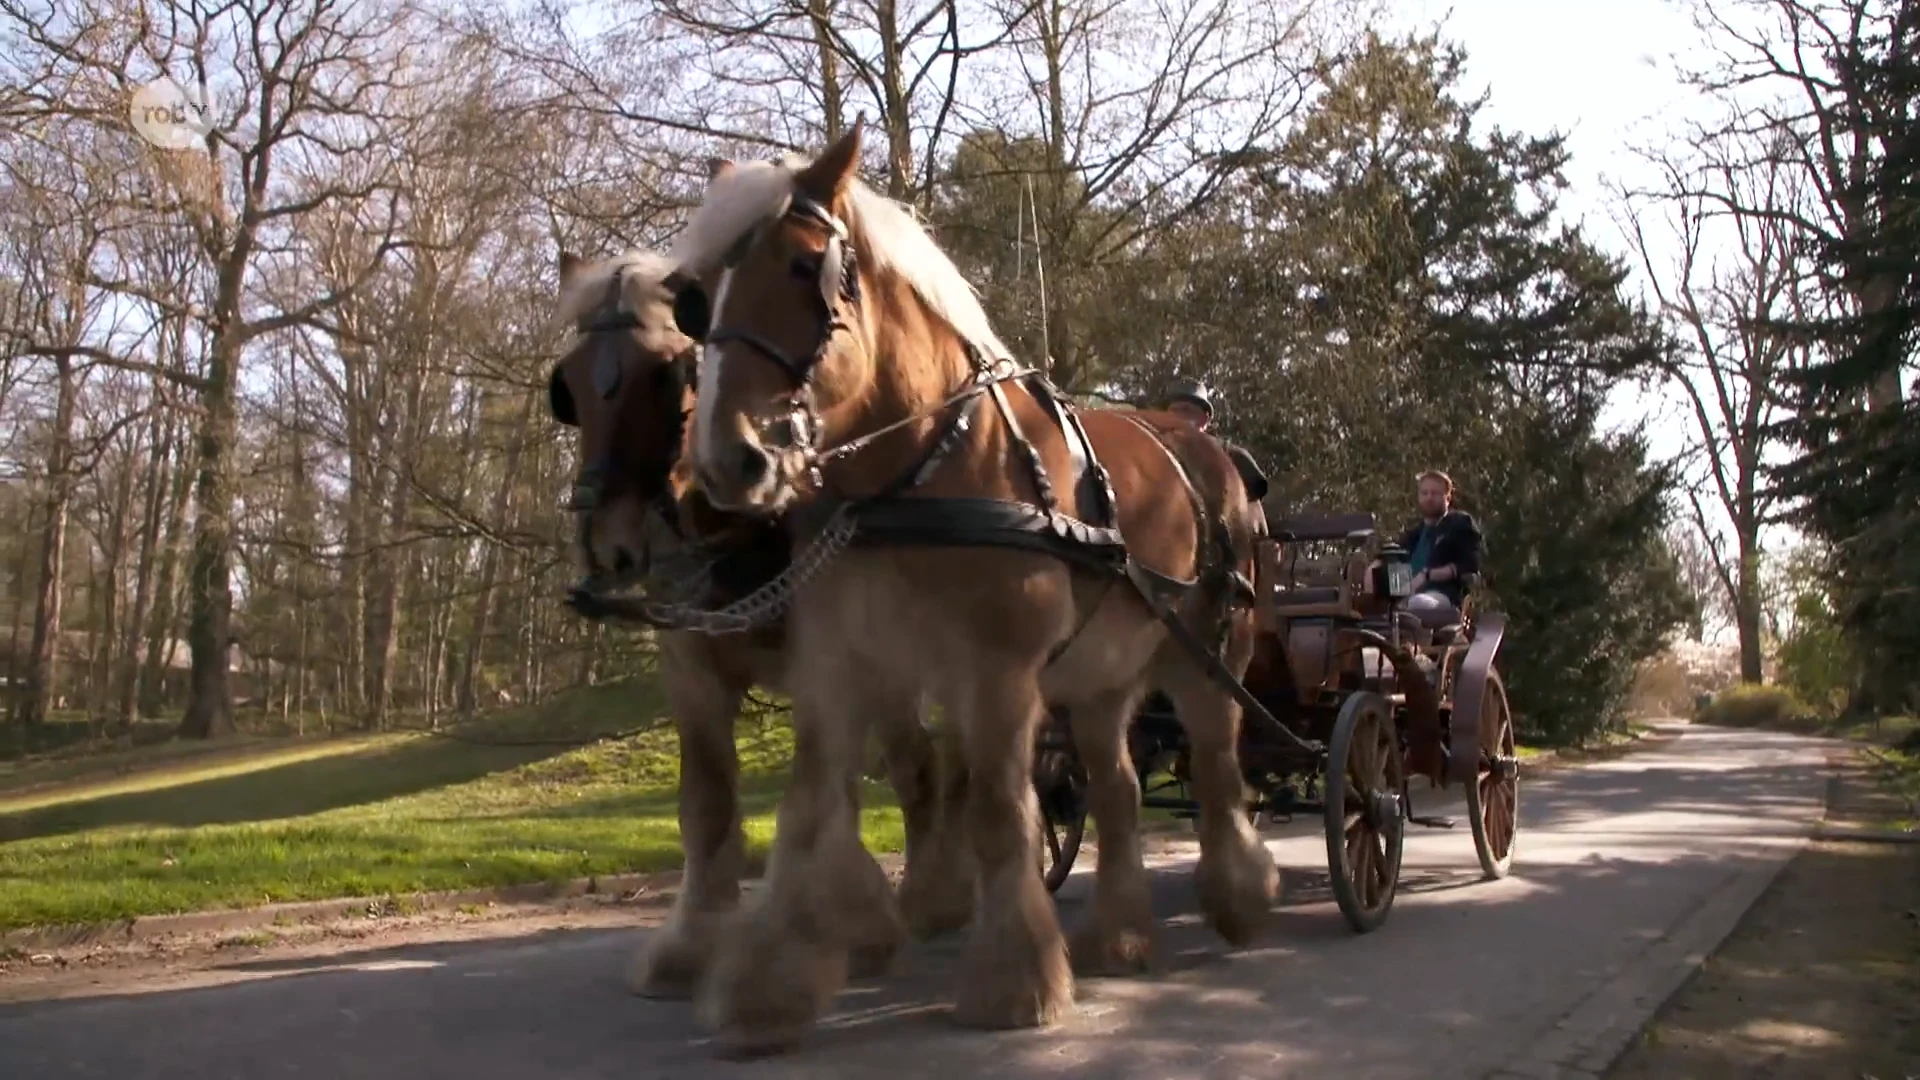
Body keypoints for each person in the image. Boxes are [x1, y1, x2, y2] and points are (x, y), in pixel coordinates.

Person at [1399, 469, 1482, 627]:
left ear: (1448, 498)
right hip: (1406, 596)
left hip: (1440, 595)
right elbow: (1397, 564)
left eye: (1435, 493)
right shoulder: (1413, 535)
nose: (1429, 498)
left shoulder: (1459, 524)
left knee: (1417, 604)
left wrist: (1428, 575)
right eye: (1425, 493)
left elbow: (1470, 565)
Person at [1164, 380, 1269, 502]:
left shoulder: (1229, 454)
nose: (1177, 416)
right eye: (1174, 410)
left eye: (1186, 410)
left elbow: (1258, 490)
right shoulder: (1153, 451)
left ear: (1204, 420)